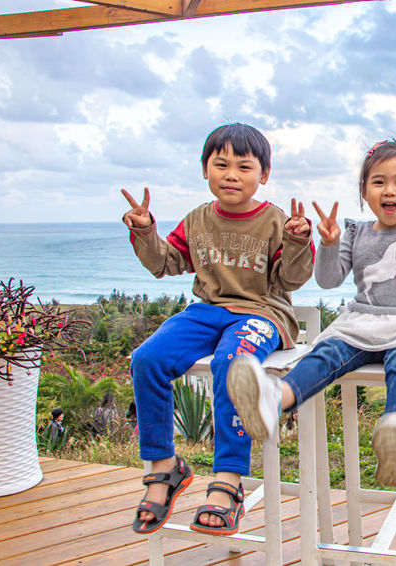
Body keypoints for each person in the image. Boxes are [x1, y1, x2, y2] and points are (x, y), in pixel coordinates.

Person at [228, 138, 396, 487]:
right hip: (361, 323)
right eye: (379, 182)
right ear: (364, 191)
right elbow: (328, 280)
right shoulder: (354, 231)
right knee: (326, 352)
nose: (389, 190)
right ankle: (274, 399)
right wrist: (328, 244)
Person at [121, 122, 314, 536]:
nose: (231, 174)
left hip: (263, 314)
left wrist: (298, 241)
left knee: (234, 361)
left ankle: (229, 480)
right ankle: (164, 467)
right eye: (221, 164)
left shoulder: (276, 220)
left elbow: (293, 279)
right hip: (207, 311)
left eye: (244, 167)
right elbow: (164, 263)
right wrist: (144, 231)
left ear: (263, 175)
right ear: (204, 169)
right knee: (147, 359)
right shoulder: (196, 220)